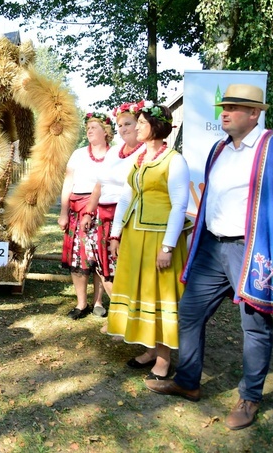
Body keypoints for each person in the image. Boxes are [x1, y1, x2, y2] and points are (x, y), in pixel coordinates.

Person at [145, 84, 273, 430]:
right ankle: (188, 381)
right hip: (212, 247)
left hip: (251, 249)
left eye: (235, 107)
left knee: (254, 326)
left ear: (255, 113)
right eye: (224, 106)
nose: (225, 112)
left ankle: (250, 396)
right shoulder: (219, 149)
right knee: (189, 313)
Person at [107, 101, 191, 380]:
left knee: (160, 294)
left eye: (142, 122)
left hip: (159, 238)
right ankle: (151, 348)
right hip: (136, 235)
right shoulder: (139, 158)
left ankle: (165, 358)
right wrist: (116, 233)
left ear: (156, 126)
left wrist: (168, 247)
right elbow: (127, 196)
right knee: (143, 292)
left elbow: (179, 205)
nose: (137, 126)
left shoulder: (174, 160)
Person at [81, 104, 145, 331]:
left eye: (128, 123)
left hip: (127, 218)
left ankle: (133, 319)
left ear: (140, 124)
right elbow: (100, 184)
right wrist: (89, 210)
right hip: (103, 216)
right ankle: (119, 317)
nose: (123, 128)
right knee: (104, 268)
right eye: (119, 125)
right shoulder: (114, 151)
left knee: (126, 270)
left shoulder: (146, 151)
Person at [58, 112, 111, 319]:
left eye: (93, 127)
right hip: (77, 210)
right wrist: (63, 212)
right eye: (87, 127)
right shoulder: (78, 154)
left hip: (102, 209)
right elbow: (68, 184)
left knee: (100, 257)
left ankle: (98, 302)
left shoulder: (114, 155)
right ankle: (81, 303)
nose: (89, 131)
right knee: (78, 257)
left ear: (105, 132)